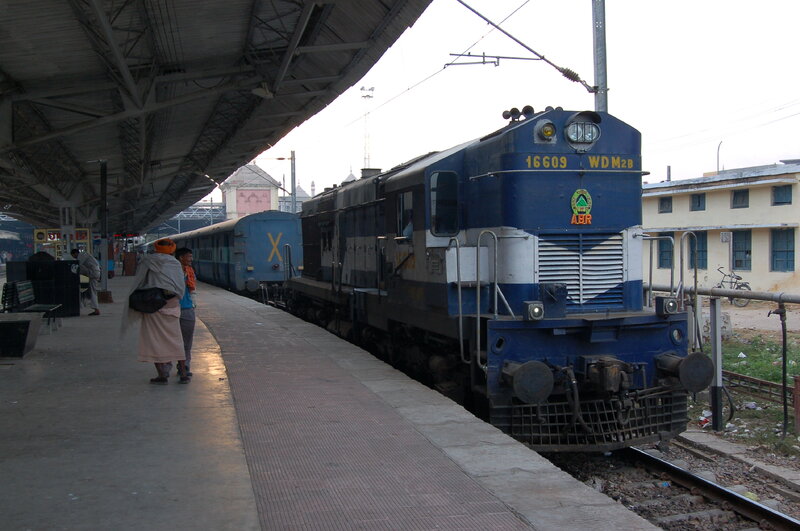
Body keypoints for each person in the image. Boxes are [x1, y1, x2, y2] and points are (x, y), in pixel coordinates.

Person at [122, 238, 188, 384]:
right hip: (172, 305)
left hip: (153, 305)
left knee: (153, 340)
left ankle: (162, 375)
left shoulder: (148, 261)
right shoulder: (175, 263)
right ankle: (183, 373)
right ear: (172, 249)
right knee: (176, 339)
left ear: (156, 248)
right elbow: (180, 287)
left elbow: (139, 282)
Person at [174, 247, 196, 378]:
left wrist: (194, 304)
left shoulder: (190, 271)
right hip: (171, 308)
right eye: (189, 257)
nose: (191, 260)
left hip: (187, 308)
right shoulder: (172, 271)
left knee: (187, 341)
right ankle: (167, 368)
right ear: (181, 257)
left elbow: (193, 289)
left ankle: (185, 365)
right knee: (172, 340)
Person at [70, 248, 101, 316]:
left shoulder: (81, 256)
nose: (73, 257)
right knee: (92, 291)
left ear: (75, 253)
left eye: (73, 256)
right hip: (94, 272)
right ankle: (95, 308)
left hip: (93, 273)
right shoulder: (85, 254)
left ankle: (96, 309)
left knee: (93, 291)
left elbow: (77, 265)